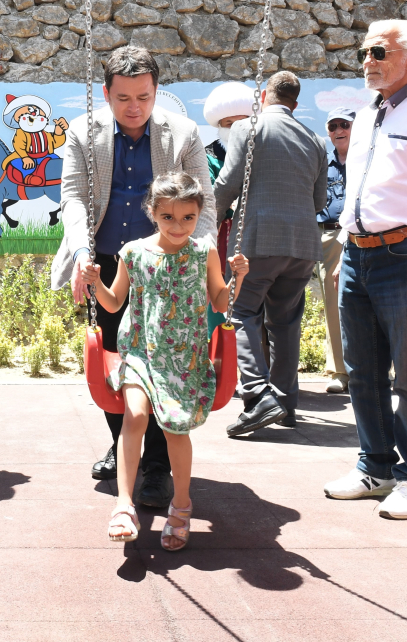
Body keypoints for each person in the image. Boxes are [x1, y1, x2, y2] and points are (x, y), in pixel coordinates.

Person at [52, 45, 217, 509]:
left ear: (156, 91)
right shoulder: (83, 131)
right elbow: (73, 196)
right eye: (123, 98)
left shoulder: (182, 133)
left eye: (143, 97)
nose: (134, 107)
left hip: (167, 266)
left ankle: (158, 467)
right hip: (107, 260)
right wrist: (81, 255)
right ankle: (121, 441)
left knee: (166, 364)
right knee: (114, 362)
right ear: (106, 94)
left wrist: (199, 258)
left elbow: (204, 203)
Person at [89, 172, 248, 548]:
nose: (178, 226)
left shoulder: (204, 251)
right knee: (135, 416)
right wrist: (95, 282)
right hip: (140, 352)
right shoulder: (133, 252)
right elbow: (113, 302)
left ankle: (181, 505)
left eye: (188, 218)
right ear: (153, 213)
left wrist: (236, 278)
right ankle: (124, 504)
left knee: (176, 429)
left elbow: (220, 301)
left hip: (184, 359)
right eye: (168, 217)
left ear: (199, 214)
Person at [323, 19, 407, 519]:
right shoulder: (366, 115)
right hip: (357, 255)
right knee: (362, 371)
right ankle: (376, 467)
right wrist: (346, 246)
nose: (367, 60)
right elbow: (359, 188)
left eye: (379, 52)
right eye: (364, 53)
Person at [215, 72, 327, 436]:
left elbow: (228, 184)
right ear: (295, 103)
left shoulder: (247, 127)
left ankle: (257, 394)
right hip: (302, 246)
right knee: (286, 323)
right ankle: (286, 405)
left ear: (264, 96)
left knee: (241, 312)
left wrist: (205, 225)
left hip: (257, 241)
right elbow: (319, 201)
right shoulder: (315, 140)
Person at [202, 81, 254, 334]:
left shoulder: (260, 151)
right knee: (219, 291)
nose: (236, 129)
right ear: (219, 126)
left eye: (242, 122)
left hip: (255, 232)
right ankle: (216, 348)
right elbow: (210, 195)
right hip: (221, 233)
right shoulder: (207, 156)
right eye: (229, 123)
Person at [317, 108, 354, 394]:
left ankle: (373, 368)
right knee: (332, 304)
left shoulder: (365, 160)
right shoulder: (321, 163)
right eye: (333, 126)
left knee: (364, 304)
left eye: (345, 125)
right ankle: (340, 371)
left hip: (356, 235)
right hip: (322, 235)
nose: (339, 130)